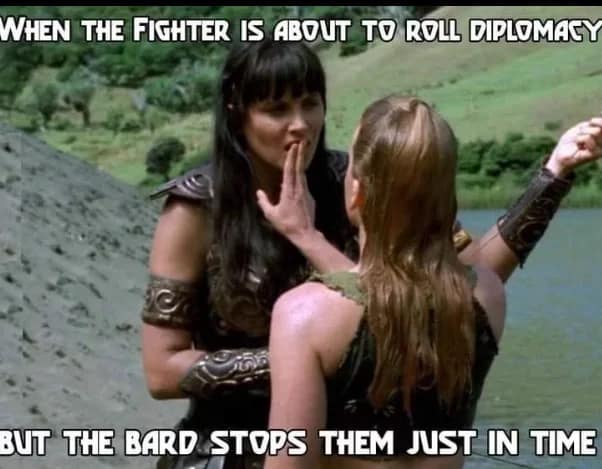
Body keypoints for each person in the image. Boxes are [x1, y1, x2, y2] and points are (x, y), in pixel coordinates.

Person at [139, 37, 601, 469]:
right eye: (277, 109)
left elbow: (462, 285)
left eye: (310, 104)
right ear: (238, 112)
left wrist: (552, 177)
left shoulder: (359, 177)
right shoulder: (196, 209)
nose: (300, 124)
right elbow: (162, 370)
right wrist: (302, 360)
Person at [264, 96, 602, 469]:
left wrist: (305, 235)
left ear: (356, 190)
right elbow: (421, 288)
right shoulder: (486, 296)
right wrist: (555, 171)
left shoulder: (303, 314)